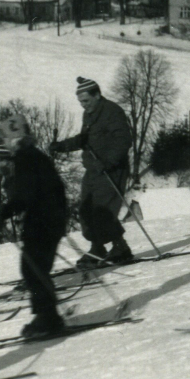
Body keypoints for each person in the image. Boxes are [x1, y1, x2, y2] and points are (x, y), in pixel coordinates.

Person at [0, 115, 70, 339]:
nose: (3, 143)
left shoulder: (26, 159)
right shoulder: (33, 157)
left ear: (15, 139)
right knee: (35, 269)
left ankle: (47, 318)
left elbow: (24, 195)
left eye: (4, 138)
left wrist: (2, 213)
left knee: (33, 269)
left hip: (42, 222)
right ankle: (49, 316)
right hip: (48, 220)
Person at [50, 77, 135, 269]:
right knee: (86, 210)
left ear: (97, 95)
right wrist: (61, 146)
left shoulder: (112, 112)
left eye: (86, 101)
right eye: (80, 102)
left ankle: (120, 248)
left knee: (102, 211)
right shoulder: (89, 114)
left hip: (111, 170)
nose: (83, 105)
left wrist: (107, 162)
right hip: (93, 170)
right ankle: (98, 248)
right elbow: (84, 140)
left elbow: (124, 141)